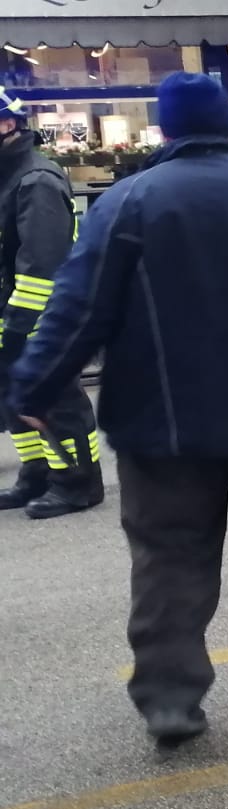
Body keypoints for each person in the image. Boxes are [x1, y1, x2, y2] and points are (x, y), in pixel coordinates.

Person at [11, 72, 228, 748]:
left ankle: (171, 698)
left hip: (163, 420)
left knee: (171, 557)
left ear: (166, 128)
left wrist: (34, 387)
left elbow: (77, 309)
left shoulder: (126, 204)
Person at [0, 89, 103, 519]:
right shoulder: (10, 176)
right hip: (13, 316)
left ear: (7, 124)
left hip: (41, 318)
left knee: (57, 400)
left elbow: (42, 266)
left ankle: (78, 482)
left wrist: (20, 330)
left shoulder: (35, 180)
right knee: (15, 399)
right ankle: (38, 473)